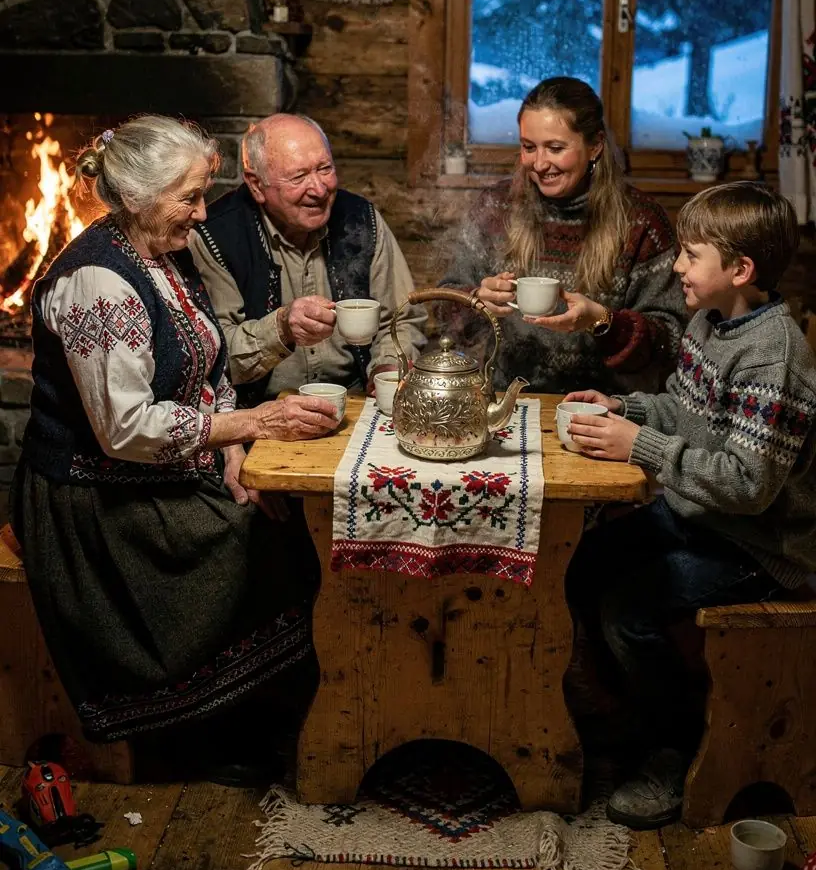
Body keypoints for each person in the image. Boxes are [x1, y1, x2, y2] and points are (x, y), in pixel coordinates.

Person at [12, 116, 342, 783]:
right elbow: (127, 429)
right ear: (137, 199)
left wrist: (235, 455)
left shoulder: (166, 253)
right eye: (189, 197)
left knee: (285, 518)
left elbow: (210, 370)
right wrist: (253, 426)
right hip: (91, 497)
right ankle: (192, 731)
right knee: (243, 541)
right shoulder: (98, 283)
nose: (202, 211)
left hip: (163, 469)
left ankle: (260, 715)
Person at [564, 181, 816, 828]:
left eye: (690, 254)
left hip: (761, 544)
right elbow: (685, 410)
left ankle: (671, 752)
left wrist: (639, 445)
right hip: (700, 514)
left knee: (630, 610)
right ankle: (618, 710)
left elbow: (747, 486)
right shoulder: (712, 320)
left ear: (741, 270)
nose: (677, 266)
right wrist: (628, 408)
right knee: (583, 559)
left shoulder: (775, 357)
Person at [442, 77, 686, 395]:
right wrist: (477, 299)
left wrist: (604, 322)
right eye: (528, 147)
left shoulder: (640, 221)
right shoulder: (496, 207)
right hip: (507, 400)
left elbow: (672, 339)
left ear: (595, 145)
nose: (540, 164)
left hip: (604, 411)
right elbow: (445, 304)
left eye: (556, 148)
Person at [189, 113, 426, 405]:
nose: (319, 189)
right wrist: (282, 328)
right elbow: (215, 355)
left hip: (356, 399)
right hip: (260, 412)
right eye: (299, 177)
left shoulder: (361, 219)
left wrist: (388, 366)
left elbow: (403, 317)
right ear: (256, 185)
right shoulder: (216, 236)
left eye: (325, 169)